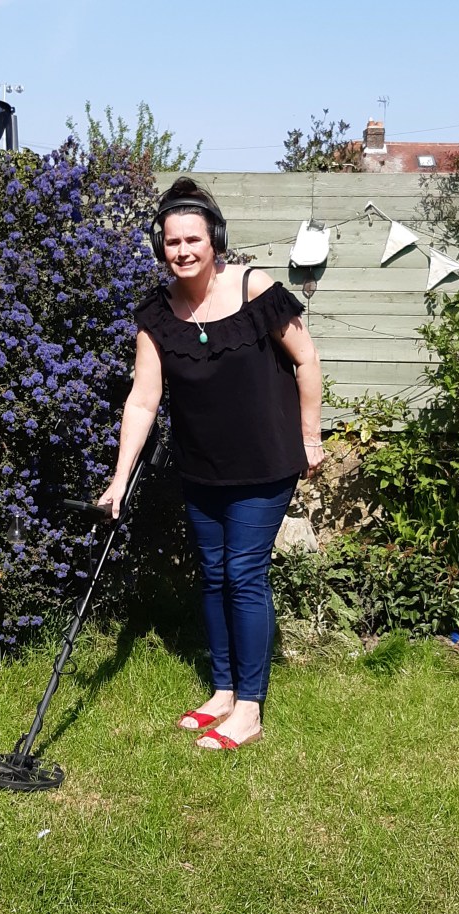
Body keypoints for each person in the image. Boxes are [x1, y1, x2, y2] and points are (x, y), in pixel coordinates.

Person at [99, 177, 324, 750]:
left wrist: (312, 439)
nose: (183, 251)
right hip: (201, 469)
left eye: (193, 239)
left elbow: (307, 360)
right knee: (214, 574)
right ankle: (222, 691)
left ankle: (249, 708)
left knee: (244, 575)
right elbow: (143, 399)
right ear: (161, 247)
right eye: (172, 242)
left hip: (265, 464)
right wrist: (119, 479)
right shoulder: (157, 316)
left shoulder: (255, 289)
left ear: (214, 239)